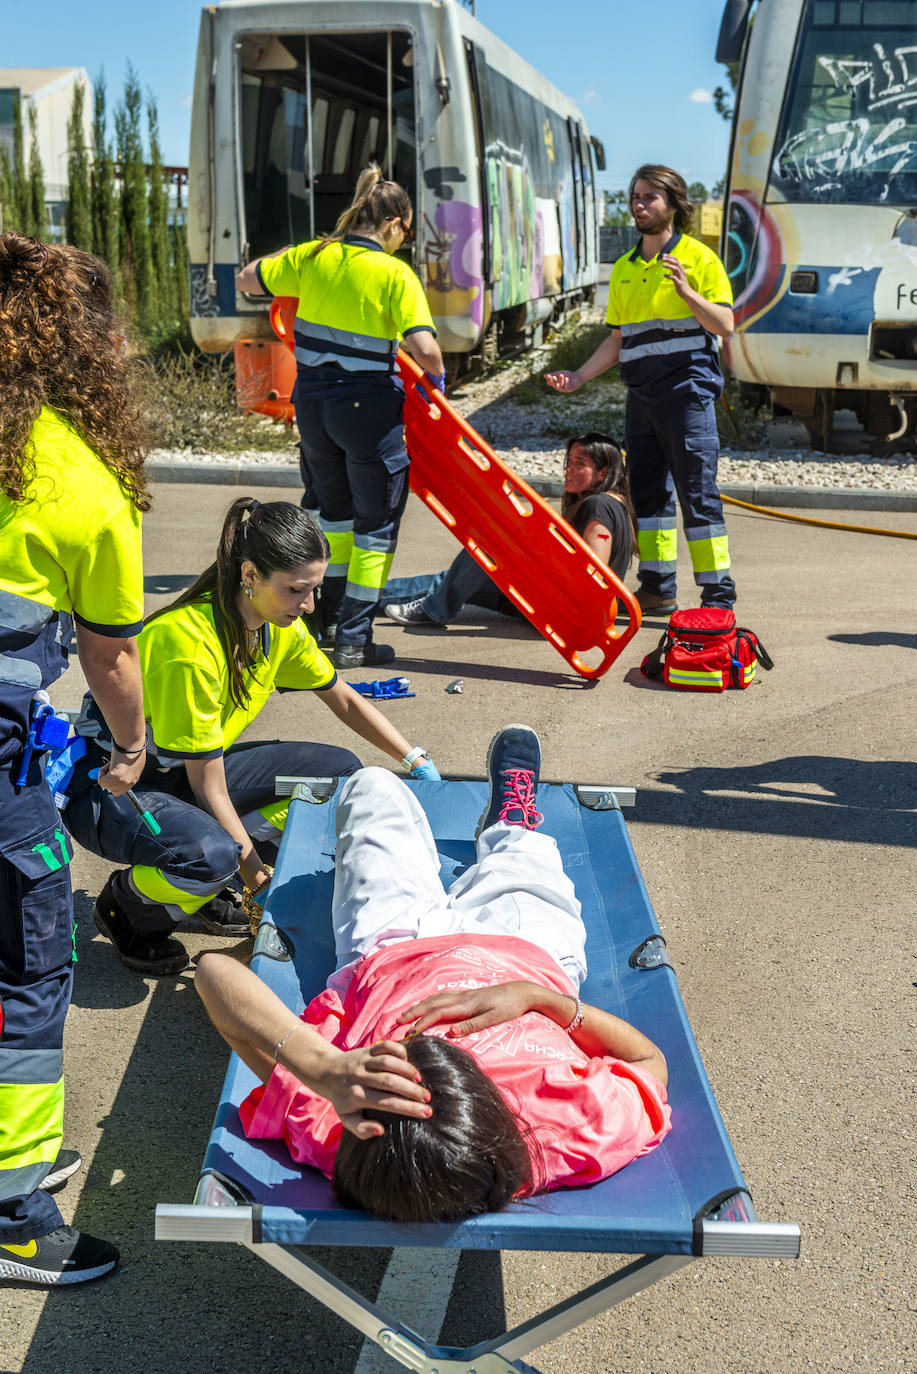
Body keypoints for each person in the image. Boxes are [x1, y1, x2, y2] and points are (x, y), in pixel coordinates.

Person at [195, 726, 670, 1224]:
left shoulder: (348, 1123)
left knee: (371, 784)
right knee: (531, 856)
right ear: (493, 1106)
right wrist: (537, 999)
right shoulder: (567, 1128)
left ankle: (476, 840)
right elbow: (647, 1059)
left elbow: (213, 973)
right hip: (527, 954)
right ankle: (512, 823)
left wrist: (322, 1069)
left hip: (389, 949)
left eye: (400, 1054)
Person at [65, 498, 440, 980]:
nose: (308, 606)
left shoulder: (275, 625)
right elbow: (210, 788)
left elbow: (342, 697)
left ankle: (203, 886)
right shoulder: (189, 645)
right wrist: (256, 880)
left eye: (315, 590)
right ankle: (127, 908)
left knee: (340, 774)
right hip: (118, 788)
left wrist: (414, 759)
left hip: (190, 774)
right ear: (250, 575)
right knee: (211, 855)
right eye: (297, 590)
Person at [0, 233, 150, 1284]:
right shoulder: (79, 480)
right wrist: (133, 746)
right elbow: (109, 654)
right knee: (28, 967)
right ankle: (12, 1205)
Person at [236, 164, 445, 669]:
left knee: (333, 518)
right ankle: (353, 638)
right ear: (395, 225)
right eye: (407, 231)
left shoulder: (315, 255)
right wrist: (437, 380)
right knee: (375, 528)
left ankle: (326, 619)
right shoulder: (394, 273)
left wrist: (301, 260)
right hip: (369, 412)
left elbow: (247, 279)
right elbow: (425, 346)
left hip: (313, 408)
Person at [546, 165, 736, 615]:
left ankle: (717, 599)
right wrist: (579, 376)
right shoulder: (624, 270)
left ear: (673, 204)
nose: (639, 204)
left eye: (650, 197)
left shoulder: (699, 258)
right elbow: (618, 339)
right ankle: (656, 588)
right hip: (642, 400)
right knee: (648, 498)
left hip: (688, 396)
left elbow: (725, 324)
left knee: (699, 499)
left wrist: (688, 292)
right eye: (635, 196)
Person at [382, 432, 636, 628]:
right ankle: (358, 602)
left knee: (489, 545)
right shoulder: (616, 505)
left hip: (561, 611)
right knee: (452, 580)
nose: (568, 469)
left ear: (604, 472)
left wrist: (533, 553)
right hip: (558, 605)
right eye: (569, 461)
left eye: (579, 463)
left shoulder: (599, 505)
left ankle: (432, 610)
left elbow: (594, 576)